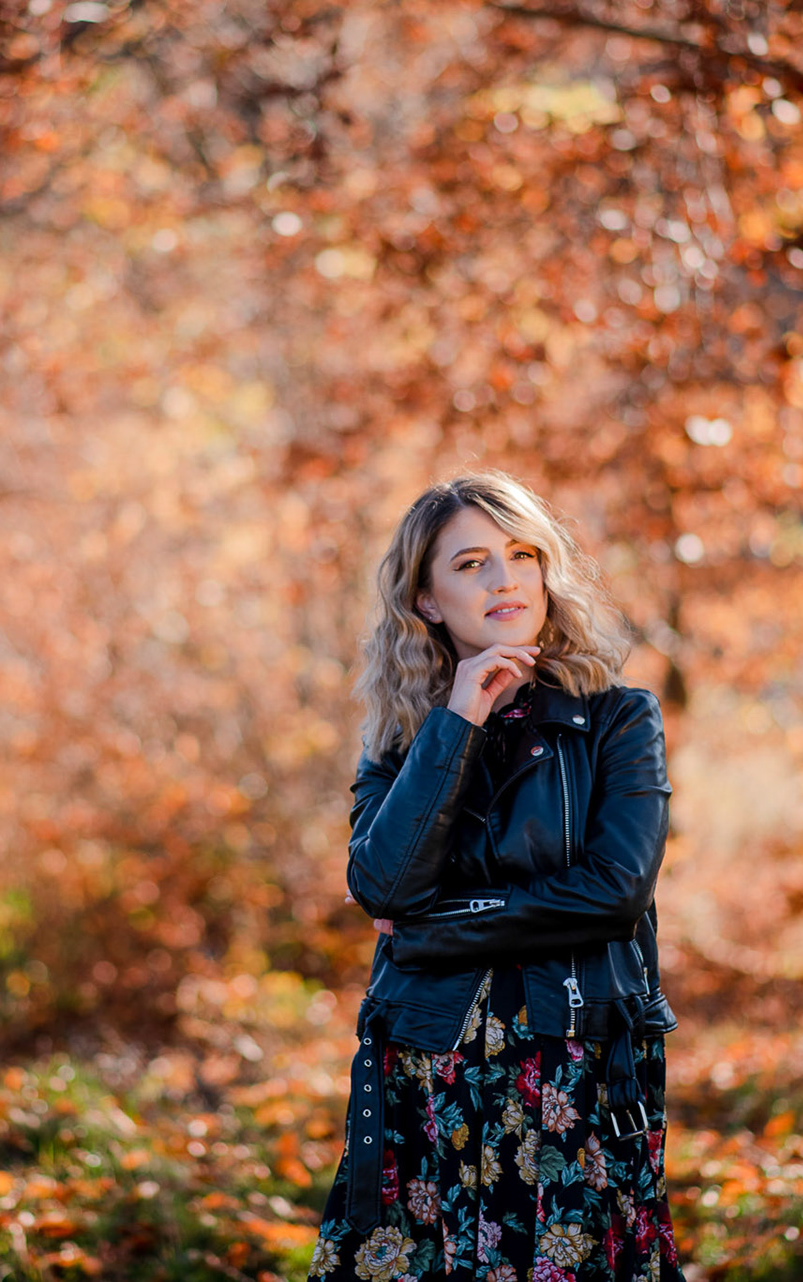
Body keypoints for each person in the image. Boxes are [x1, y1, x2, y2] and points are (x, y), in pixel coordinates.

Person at [308, 471, 684, 1282]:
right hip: (428, 1074)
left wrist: (431, 928)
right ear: (428, 600)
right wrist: (460, 720)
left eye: (522, 555)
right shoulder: (402, 743)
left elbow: (612, 894)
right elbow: (384, 886)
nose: (504, 579)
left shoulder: (619, 720)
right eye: (471, 563)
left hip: (573, 1065)